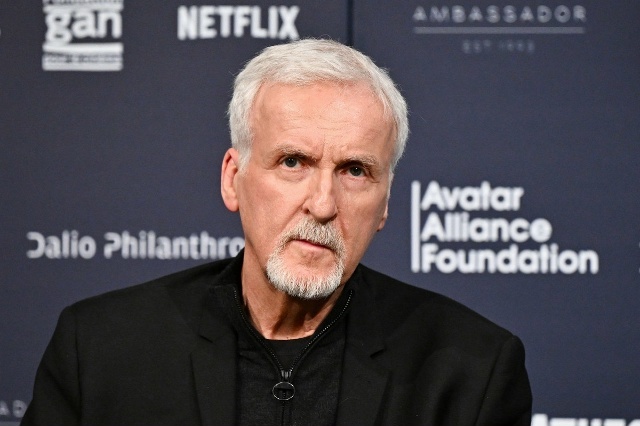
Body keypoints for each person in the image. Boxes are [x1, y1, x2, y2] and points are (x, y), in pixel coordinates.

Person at [22, 39, 532, 426]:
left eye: (355, 171)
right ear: (233, 179)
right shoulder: (100, 349)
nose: (323, 204)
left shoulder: (473, 371)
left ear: (385, 204)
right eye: (293, 162)